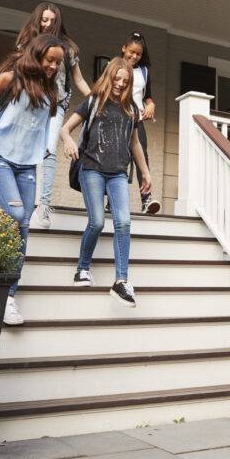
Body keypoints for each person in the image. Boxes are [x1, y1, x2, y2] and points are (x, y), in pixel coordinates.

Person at [0, 34, 65, 325]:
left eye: (58, 62)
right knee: (17, 213)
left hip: (27, 165)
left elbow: (47, 127)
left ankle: (7, 296)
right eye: (50, 60)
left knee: (23, 224)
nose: (54, 66)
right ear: (37, 55)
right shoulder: (10, 80)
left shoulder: (50, 93)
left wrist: (51, 147)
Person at [60, 57, 152, 306]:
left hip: (118, 173)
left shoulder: (131, 109)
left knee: (123, 221)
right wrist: (68, 141)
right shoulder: (94, 100)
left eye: (126, 80)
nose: (121, 83)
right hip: (92, 169)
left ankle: (121, 281)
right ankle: (82, 268)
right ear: (109, 76)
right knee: (98, 221)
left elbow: (134, 144)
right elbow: (65, 129)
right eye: (117, 78)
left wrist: (145, 172)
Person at [9, 2, 91, 230]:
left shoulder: (68, 49)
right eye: (44, 20)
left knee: (48, 151)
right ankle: (19, 202)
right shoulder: (27, 43)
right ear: (37, 19)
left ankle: (43, 207)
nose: (47, 24)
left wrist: (95, 98)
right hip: (30, 103)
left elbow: (79, 79)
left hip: (56, 105)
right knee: (23, 149)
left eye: (52, 21)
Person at [121, 31, 161, 214]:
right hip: (117, 117)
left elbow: (148, 97)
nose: (134, 56)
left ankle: (146, 200)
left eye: (138, 54)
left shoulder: (144, 72)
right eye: (132, 52)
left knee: (141, 157)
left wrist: (151, 105)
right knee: (118, 158)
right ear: (124, 49)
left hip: (137, 119)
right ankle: (111, 200)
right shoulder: (114, 67)